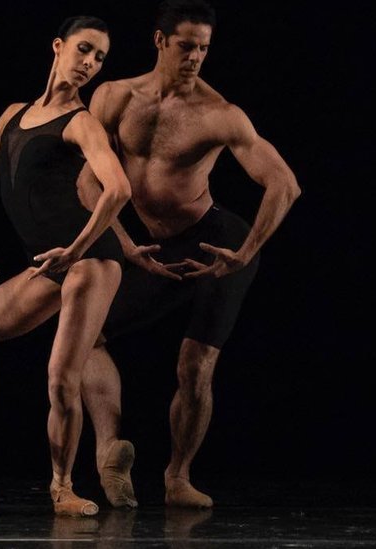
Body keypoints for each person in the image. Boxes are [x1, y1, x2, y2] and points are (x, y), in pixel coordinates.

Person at [77, 0, 302, 509]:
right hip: (150, 244)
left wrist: (244, 254)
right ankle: (110, 450)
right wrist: (127, 246)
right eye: (186, 46)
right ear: (159, 41)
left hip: (213, 242)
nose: (196, 57)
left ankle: (177, 477)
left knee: (194, 366)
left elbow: (284, 185)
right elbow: (88, 181)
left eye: (204, 48)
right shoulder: (113, 97)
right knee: (87, 335)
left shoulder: (220, 114)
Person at [0, 15, 133, 517]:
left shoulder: (83, 122)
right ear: (58, 46)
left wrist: (75, 249)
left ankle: (63, 487)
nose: (91, 63)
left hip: (91, 260)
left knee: (59, 377)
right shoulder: (12, 115)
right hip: (54, 263)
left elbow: (118, 189)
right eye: (84, 50)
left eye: (100, 58)